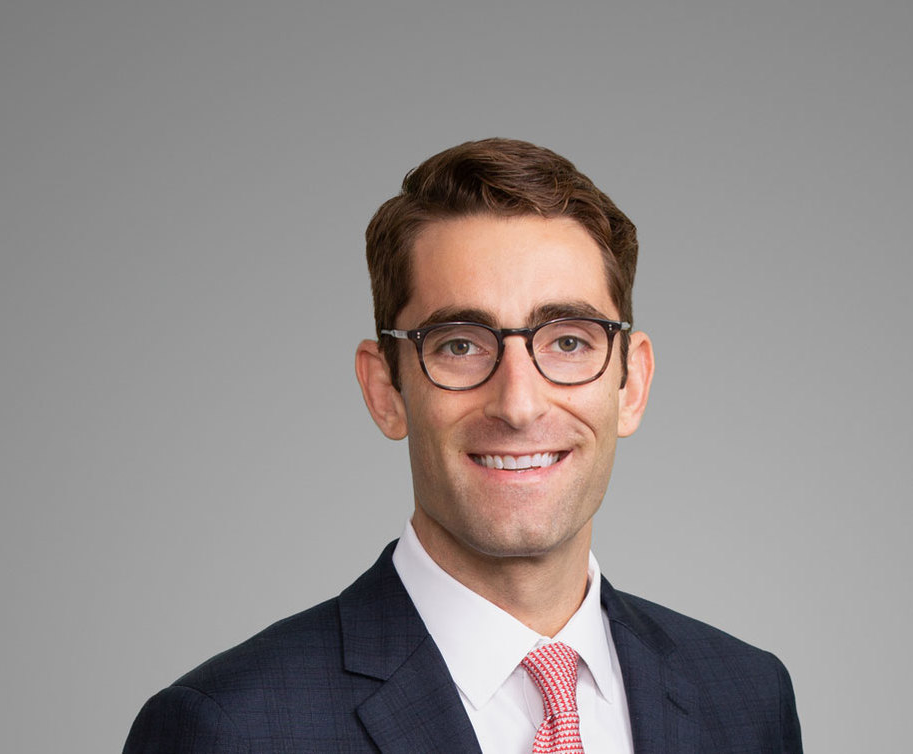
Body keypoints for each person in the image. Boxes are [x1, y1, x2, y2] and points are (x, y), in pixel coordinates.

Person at [123, 138, 802, 753]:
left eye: (568, 342)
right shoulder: (230, 730)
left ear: (632, 384)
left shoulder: (747, 700)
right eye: (459, 345)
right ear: (386, 390)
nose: (518, 404)